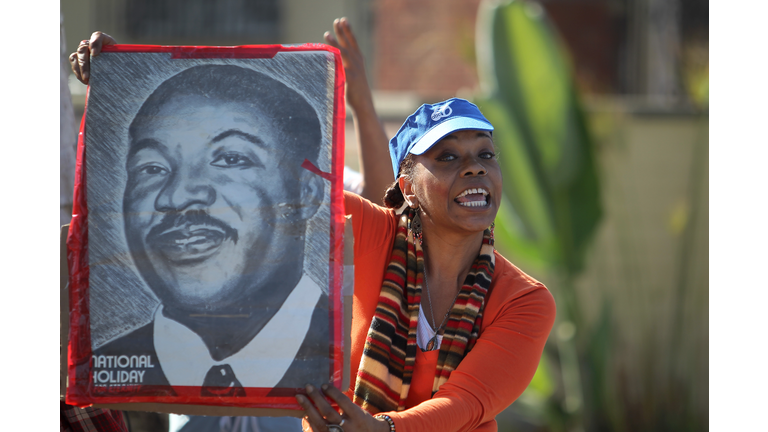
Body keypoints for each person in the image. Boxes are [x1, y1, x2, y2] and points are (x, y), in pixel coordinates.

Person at [71, 17, 556, 432]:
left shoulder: (525, 301)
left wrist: (378, 428)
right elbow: (264, 183)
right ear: (407, 186)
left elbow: (466, 404)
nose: (473, 168)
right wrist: (125, 78)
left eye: (484, 155)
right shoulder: (371, 234)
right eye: (447, 157)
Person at [88, 62, 330, 395]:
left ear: (306, 193)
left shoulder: (365, 358)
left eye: (231, 159)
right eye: (153, 167)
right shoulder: (94, 387)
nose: (177, 194)